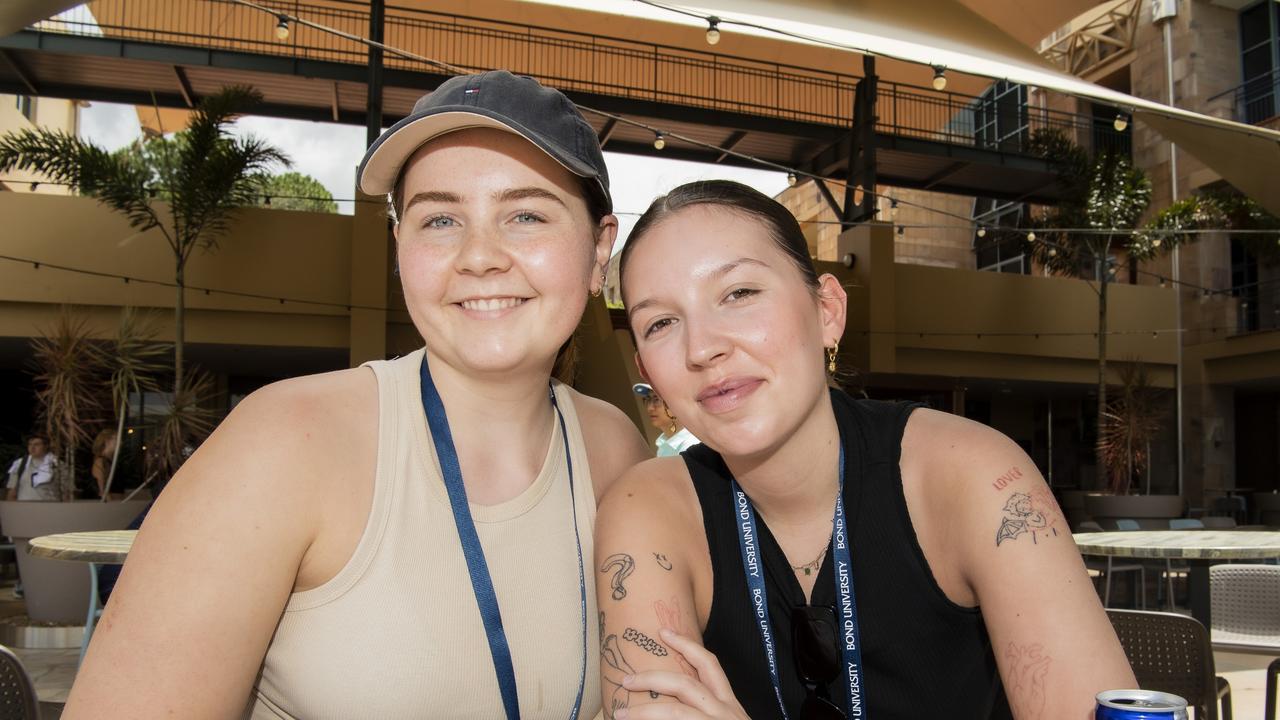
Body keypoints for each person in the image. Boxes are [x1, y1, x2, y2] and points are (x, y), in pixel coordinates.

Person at [64, 71, 650, 719]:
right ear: (400, 244)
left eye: (526, 214)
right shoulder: (285, 444)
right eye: (440, 218)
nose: (479, 256)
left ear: (600, 249)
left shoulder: (616, 452)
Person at [595, 180, 1136, 719]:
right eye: (661, 322)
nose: (703, 347)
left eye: (739, 294)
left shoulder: (973, 476)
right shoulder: (649, 508)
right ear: (645, 370)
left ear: (827, 310)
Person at [632, 383, 699, 457]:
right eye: (648, 399)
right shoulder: (663, 445)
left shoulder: (693, 445)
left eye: (656, 400)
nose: (649, 408)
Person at [5, 433, 62, 502]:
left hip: (49, 508)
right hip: (24, 507)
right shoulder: (20, 463)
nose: (32, 447)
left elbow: (67, 491)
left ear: (46, 446)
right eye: (30, 444)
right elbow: (11, 491)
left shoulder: (56, 464)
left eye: (37, 444)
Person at [90, 428, 118, 499]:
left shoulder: (109, 462)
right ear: (107, 441)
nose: (119, 442)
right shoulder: (100, 462)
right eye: (115, 440)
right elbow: (101, 490)